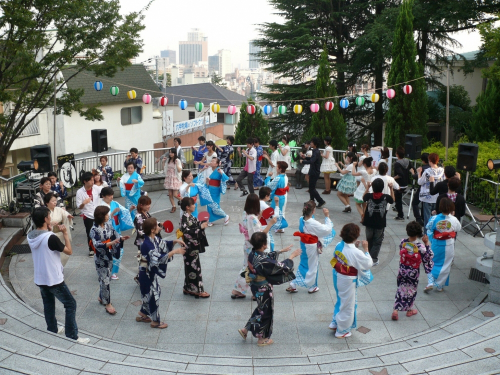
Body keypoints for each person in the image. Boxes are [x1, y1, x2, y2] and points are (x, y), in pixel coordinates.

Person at [27, 207, 89, 344]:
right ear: (45, 219)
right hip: (53, 278)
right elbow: (69, 251)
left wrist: (50, 228)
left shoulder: (31, 236)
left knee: (48, 304)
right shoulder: (51, 238)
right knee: (70, 304)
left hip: (40, 277)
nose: (51, 218)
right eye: (49, 216)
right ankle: (72, 335)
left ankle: (52, 330)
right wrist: (65, 233)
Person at [238, 232, 300, 346]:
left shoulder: (253, 254)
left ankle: (245, 329)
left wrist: (280, 251)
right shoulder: (263, 261)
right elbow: (282, 267)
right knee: (266, 312)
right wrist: (291, 257)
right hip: (263, 288)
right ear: (263, 244)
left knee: (261, 308)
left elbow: (265, 258)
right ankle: (262, 339)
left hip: (255, 286)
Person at [137, 218, 186, 328]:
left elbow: (163, 243)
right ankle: (155, 321)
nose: (160, 227)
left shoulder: (152, 239)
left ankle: (144, 312)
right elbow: (158, 259)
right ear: (153, 230)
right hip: (146, 273)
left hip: (149, 272)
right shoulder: (147, 244)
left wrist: (175, 241)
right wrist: (175, 251)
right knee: (154, 295)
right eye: (157, 226)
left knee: (152, 293)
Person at [330, 223, 373, 338]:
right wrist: (366, 249)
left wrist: (356, 248)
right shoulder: (356, 252)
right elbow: (368, 263)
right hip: (348, 279)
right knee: (348, 304)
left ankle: (335, 322)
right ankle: (342, 330)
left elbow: (346, 258)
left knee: (340, 299)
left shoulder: (339, 245)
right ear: (356, 236)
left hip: (338, 275)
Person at [232, 193, 278, 299]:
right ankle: (252, 291)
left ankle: (241, 290)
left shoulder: (245, 214)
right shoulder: (253, 218)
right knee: (253, 269)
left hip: (247, 245)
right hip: (254, 247)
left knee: (248, 267)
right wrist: (270, 223)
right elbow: (259, 236)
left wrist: (260, 216)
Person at [287, 201, 336, 294]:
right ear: (313, 211)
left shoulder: (301, 219)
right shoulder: (312, 222)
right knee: (312, 266)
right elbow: (327, 230)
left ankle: (293, 284)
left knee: (304, 263)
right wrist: (327, 216)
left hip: (304, 244)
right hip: (311, 246)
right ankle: (312, 286)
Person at [90, 206, 130, 315]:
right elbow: (96, 244)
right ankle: (108, 303)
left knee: (106, 278)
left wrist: (120, 238)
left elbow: (114, 234)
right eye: (106, 215)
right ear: (101, 217)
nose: (108, 216)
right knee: (105, 280)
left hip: (109, 255)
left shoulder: (108, 225)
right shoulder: (94, 230)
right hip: (101, 258)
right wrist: (110, 243)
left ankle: (101, 296)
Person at [392, 221, 434, 320]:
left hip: (402, 269)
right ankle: (409, 310)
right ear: (418, 233)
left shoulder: (403, 242)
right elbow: (428, 257)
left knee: (401, 288)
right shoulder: (420, 247)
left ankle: (395, 310)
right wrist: (426, 243)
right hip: (413, 272)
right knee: (411, 290)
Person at [426, 198, 462, 292]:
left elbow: (428, 227)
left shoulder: (434, 218)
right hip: (449, 245)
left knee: (433, 262)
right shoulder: (454, 219)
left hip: (436, 244)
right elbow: (458, 228)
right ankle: (440, 286)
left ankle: (431, 281)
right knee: (446, 265)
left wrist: (432, 238)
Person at [99, 186, 134, 280]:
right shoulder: (100, 206)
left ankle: (114, 272)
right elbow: (101, 220)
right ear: (103, 196)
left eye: (112, 195)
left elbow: (124, 212)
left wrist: (130, 210)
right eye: (109, 195)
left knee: (119, 251)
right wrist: (112, 213)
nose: (111, 197)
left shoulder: (115, 203)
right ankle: (106, 269)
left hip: (116, 231)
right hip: (106, 232)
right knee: (107, 251)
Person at [180, 197, 210, 298]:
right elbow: (187, 232)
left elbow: (196, 224)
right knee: (195, 268)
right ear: (188, 207)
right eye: (193, 204)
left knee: (191, 268)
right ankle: (198, 290)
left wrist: (202, 223)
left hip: (192, 247)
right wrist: (200, 228)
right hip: (189, 248)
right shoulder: (184, 218)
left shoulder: (190, 216)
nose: (195, 205)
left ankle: (188, 287)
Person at [362, 178, 395, 266]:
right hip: (380, 224)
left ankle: (368, 256)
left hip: (369, 222)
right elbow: (393, 199)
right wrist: (391, 188)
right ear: (383, 187)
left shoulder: (369, 196)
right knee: (377, 241)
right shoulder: (386, 197)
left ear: (372, 187)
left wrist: (367, 188)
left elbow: (363, 197)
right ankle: (373, 259)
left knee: (369, 239)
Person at [43, 193, 74, 267]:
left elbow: (65, 214)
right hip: (50, 235)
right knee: (52, 254)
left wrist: (68, 216)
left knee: (63, 254)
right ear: (47, 202)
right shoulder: (44, 211)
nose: (55, 202)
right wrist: (50, 223)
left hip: (60, 234)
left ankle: (60, 268)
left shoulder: (59, 209)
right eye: (53, 201)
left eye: (55, 201)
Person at [76, 172, 101, 257]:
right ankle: (91, 249)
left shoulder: (96, 188)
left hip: (98, 213)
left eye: (93, 179)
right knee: (90, 232)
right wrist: (84, 203)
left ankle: (100, 247)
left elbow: (104, 192)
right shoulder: (80, 192)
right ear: (85, 181)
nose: (92, 182)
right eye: (90, 180)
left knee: (100, 231)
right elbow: (79, 206)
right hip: (87, 214)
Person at [418, 153, 444, 227]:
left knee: (427, 218)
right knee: (436, 218)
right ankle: (434, 233)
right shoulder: (442, 171)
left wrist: (419, 173)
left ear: (429, 161)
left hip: (427, 197)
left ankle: (427, 234)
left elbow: (420, 182)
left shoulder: (427, 171)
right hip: (438, 197)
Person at [202, 158, 230, 227]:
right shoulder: (212, 170)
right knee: (209, 205)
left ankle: (225, 215)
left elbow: (226, 178)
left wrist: (222, 173)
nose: (211, 162)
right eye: (211, 161)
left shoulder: (219, 170)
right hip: (210, 189)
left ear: (217, 164)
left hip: (215, 191)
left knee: (215, 207)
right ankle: (210, 220)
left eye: (213, 161)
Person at [301, 137, 326, 208]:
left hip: (314, 172)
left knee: (312, 188)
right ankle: (312, 200)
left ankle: (320, 201)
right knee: (311, 187)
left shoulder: (316, 151)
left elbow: (312, 161)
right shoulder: (315, 151)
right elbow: (312, 159)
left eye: (311, 142)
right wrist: (305, 157)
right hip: (313, 171)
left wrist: (303, 161)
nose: (310, 143)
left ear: (315, 144)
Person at [266, 161, 289, 233]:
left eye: (277, 167)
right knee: (281, 211)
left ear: (280, 169)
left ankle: (279, 227)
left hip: (278, 197)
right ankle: (280, 227)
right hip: (283, 196)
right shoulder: (285, 176)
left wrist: (269, 177)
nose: (276, 168)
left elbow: (269, 185)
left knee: (275, 211)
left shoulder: (278, 178)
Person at [410, 153, 430, 226]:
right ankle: (424, 218)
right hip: (430, 189)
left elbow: (417, 178)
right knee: (424, 203)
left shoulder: (423, 168)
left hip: (422, 188)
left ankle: (418, 219)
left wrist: (413, 173)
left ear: (423, 160)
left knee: (415, 203)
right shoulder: (432, 168)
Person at [162, 148, 183, 213]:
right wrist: (163, 162)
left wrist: (176, 164)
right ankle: (173, 206)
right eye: (170, 152)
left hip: (175, 178)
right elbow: (165, 169)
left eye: (172, 152)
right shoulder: (168, 160)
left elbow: (179, 170)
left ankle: (185, 200)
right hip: (169, 178)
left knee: (175, 194)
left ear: (175, 153)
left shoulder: (177, 160)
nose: (170, 154)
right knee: (170, 194)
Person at [394, 147, 410, 221]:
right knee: (398, 198)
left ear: (397, 154)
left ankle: (400, 215)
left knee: (398, 199)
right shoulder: (407, 161)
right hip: (406, 183)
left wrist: (393, 178)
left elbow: (400, 174)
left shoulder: (397, 164)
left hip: (399, 184)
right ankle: (397, 209)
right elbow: (412, 169)